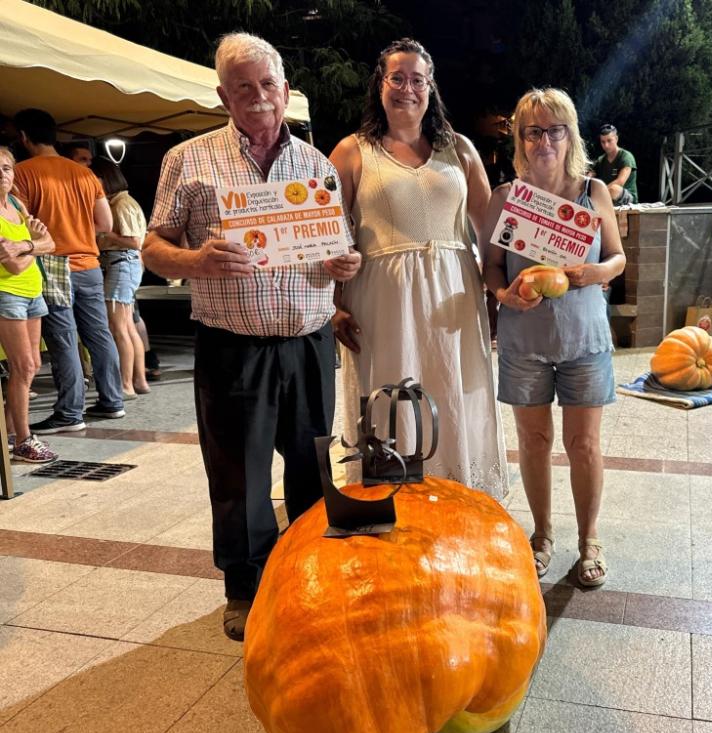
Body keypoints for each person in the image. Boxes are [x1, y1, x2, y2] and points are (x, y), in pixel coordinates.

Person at [142, 33, 361, 641]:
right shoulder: (189, 160)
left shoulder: (316, 165)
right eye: (243, 86)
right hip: (233, 345)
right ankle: (245, 586)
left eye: (267, 84)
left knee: (312, 466)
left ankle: (309, 573)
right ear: (223, 96)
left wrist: (344, 263)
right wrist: (195, 261)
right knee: (239, 474)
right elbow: (152, 246)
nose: (258, 96)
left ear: (286, 91)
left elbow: (334, 247)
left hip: (308, 342)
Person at [329, 39, 508, 501]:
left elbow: (491, 230)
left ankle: (458, 497)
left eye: (417, 80)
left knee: (452, 389)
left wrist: (503, 290)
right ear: (380, 84)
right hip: (382, 301)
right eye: (397, 78)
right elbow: (326, 236)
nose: (406, 88)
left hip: (454, 294)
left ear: (431, 88)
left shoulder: (459, 149)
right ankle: (391, 500)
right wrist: (333, 305)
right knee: (390, 394)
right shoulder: (351, 152)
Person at [482, 88, 626, 588]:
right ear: (521, 139)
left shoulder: (594, 192)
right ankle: (542, 535)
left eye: (555, 130)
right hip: (524, 341)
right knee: (534, 441)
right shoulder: (506, 198)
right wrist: (503, 294)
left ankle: (589, 540)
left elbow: (617, 258)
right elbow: (492, 266)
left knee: (583, 444)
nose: (544, 141)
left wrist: (595, 272)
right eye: (533, 131)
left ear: (570, 136)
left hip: (584, 338)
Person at [12, 108, 126, 434]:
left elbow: (19, 224)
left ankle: (70, 413)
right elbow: (105, 223)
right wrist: (79, 232)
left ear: (23, 137)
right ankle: (112, 401)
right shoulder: (84, 174)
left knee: (63, 339)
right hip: (89, 263)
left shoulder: (22, 173)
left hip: (52, 264)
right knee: (99, 335)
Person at [0, 146, 58, 462]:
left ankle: (9, 433)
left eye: (6, 168)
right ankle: (23, 440)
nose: (1, 174)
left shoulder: (15, 203)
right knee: (21, 366)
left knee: (33, 365)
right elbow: (13, 265)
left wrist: (25, 246)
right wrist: (34, 248)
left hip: (33, 291)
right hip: (7, 293)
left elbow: (51, 242)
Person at [89, 158, 149, 398]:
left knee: (118, 327)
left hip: (121, 263)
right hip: (123, 265)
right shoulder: (122, 201)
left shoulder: (122, 203)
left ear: (104, 178)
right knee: (127, 326)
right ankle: (139, 381)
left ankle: (126, 385)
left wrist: (106, 233)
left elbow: (134, 242)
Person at [591, 124, 637, 206]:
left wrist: (600, 193)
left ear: (616, 139)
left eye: (609, 141)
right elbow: (589, 177)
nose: (606, 145)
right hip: (604, 197)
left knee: (614, 189)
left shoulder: (626, 156)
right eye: (603, 142)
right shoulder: (600, 160)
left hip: (626, 197)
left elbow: (620, 181)